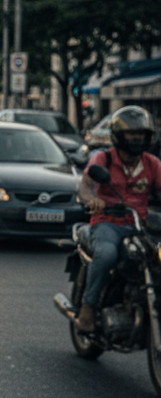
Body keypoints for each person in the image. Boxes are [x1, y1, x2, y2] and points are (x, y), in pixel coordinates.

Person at [74, 105, 161, 332]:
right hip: (107, 223)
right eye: (132, 134)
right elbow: (85, 187)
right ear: (118, 137)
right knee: (107, 254)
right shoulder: (103, 159)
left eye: (141, 134)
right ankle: (88, 307)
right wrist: (92, 200)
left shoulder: (152, 164)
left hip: (138, 226)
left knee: (154, 258)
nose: (137, 139)